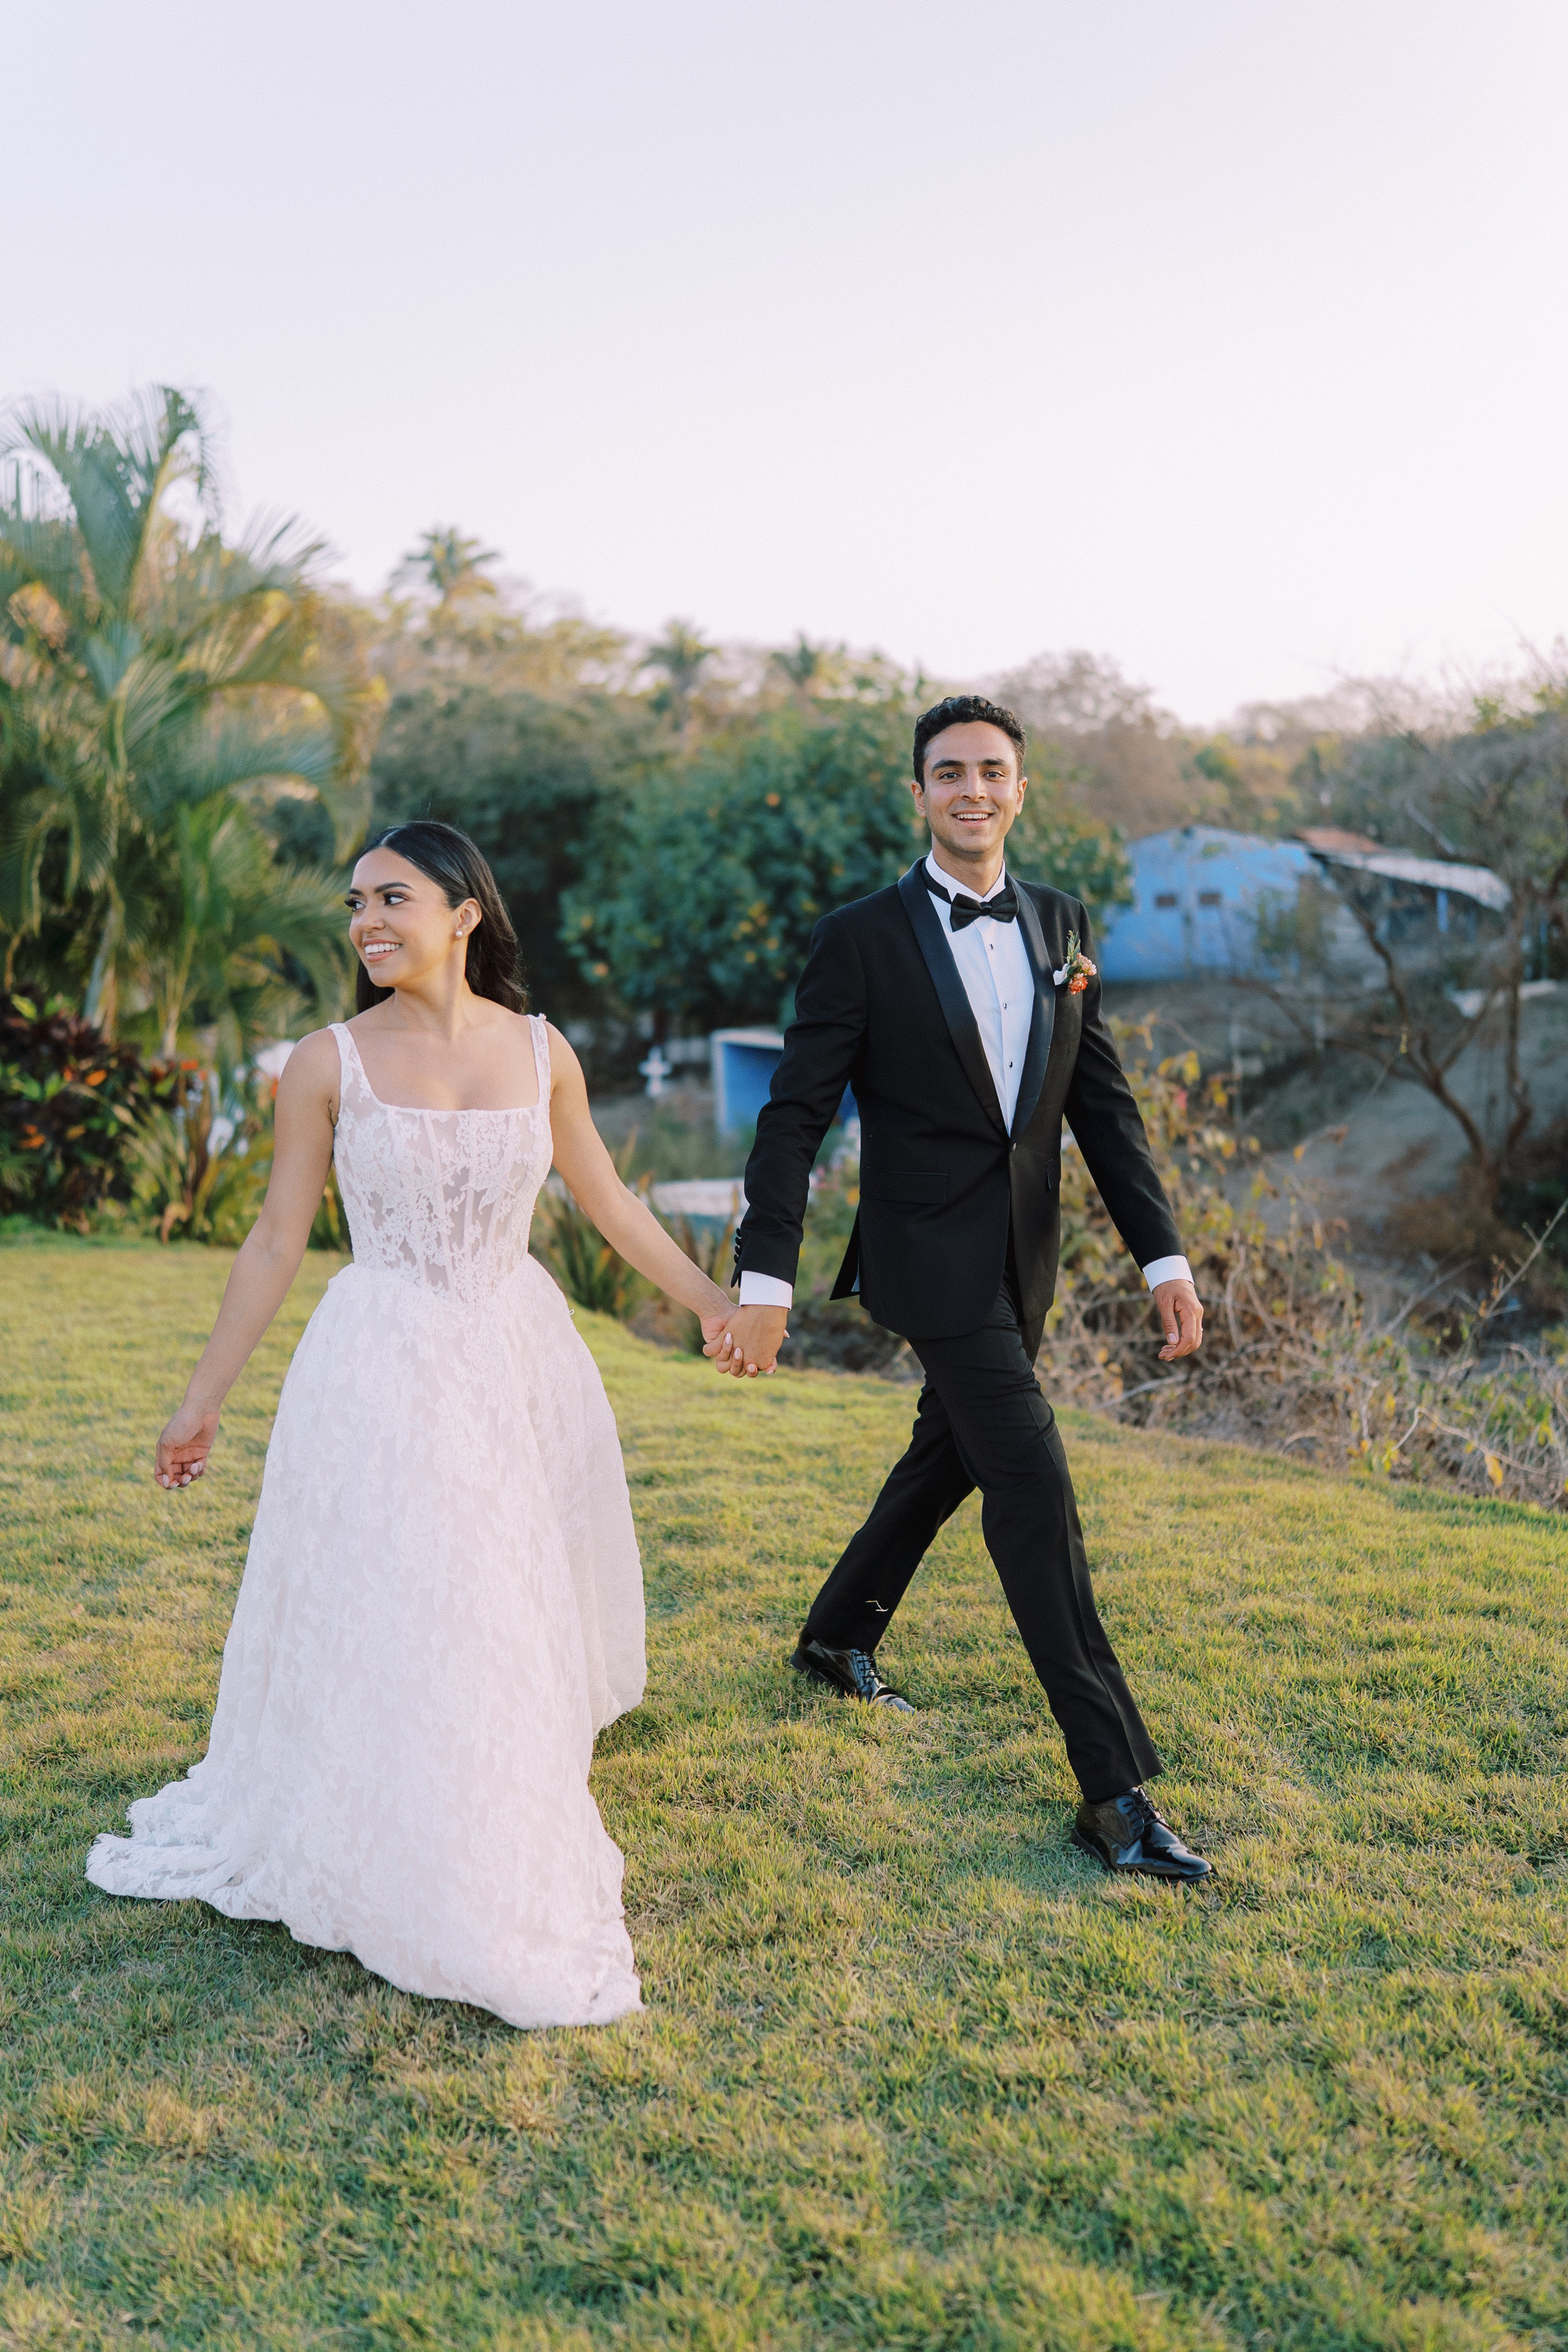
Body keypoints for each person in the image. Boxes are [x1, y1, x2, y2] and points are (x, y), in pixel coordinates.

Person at [88, 821, 737, 2026]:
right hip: (379, 1355)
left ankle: (483, 1796)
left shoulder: (543, 1053)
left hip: (509, 1349)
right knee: (404, 1578)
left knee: (494, 1585)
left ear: (464, 913)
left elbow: (605, 1201)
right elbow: (277, 1237)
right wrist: (200, 1403)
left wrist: (709, 1301)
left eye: (391, 898)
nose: (366, 923)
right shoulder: (324, 1060)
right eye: (354, 904)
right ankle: (385, 1808)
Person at [710, 696, 1213, 1883]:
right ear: (919, 794)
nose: (971, 791)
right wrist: (764, 1277)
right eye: (949, 774)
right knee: (1030, 1487)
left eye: (991, 772)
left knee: (948, 1454)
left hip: (1019, 1260)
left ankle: (836, 1637)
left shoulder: (1058, 923)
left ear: (1019, 790)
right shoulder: (859, 938)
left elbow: (1099, 1106)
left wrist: (1163, 1256)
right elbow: (792, 1117)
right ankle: (1113, 1793)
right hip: (922, 1257)